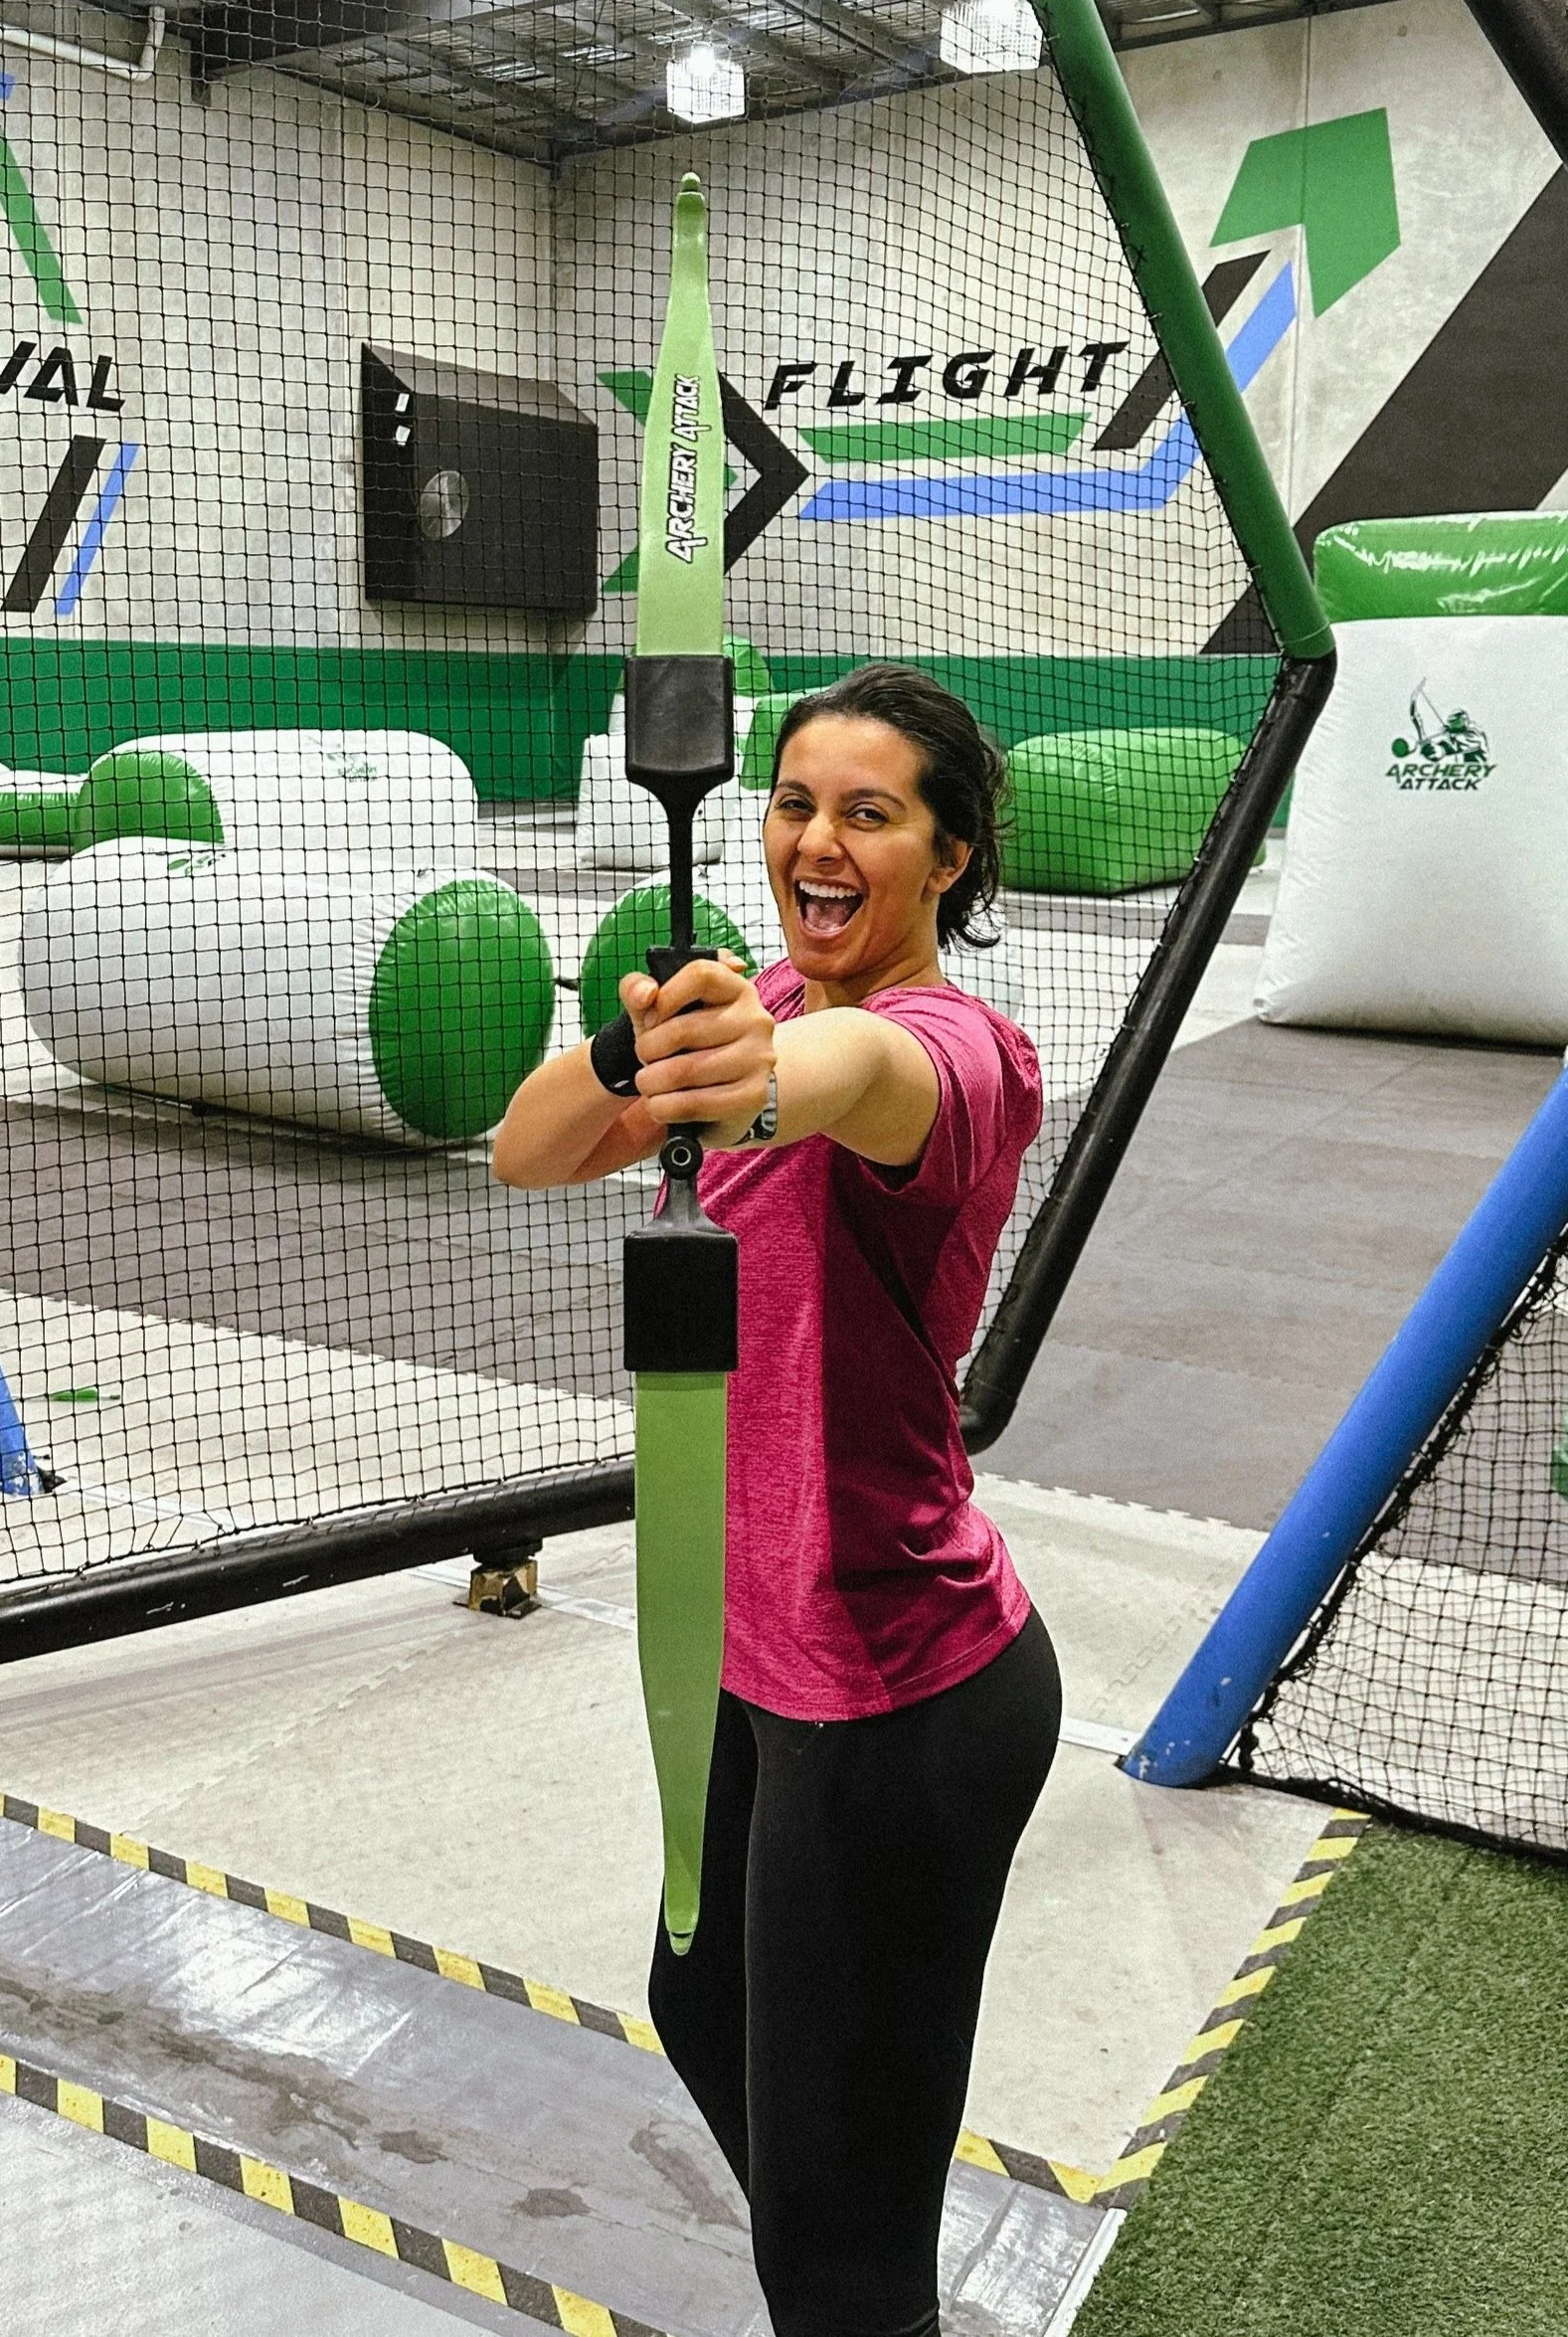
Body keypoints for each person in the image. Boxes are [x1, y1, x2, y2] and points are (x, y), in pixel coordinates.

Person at [493, 661, 1060, 2335]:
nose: (818, 840)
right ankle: (864, 2258)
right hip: (757, 1659)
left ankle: (859, 2275)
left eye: (870, 813)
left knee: (827, 2252)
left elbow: (850, 1082)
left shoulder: (952, 1052)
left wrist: (740, 1059)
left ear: (949, 857)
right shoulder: (775, 1017)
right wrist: (640, 1034)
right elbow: (530, 1147)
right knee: (697, 2000)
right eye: (796, 801)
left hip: (904, 1694)